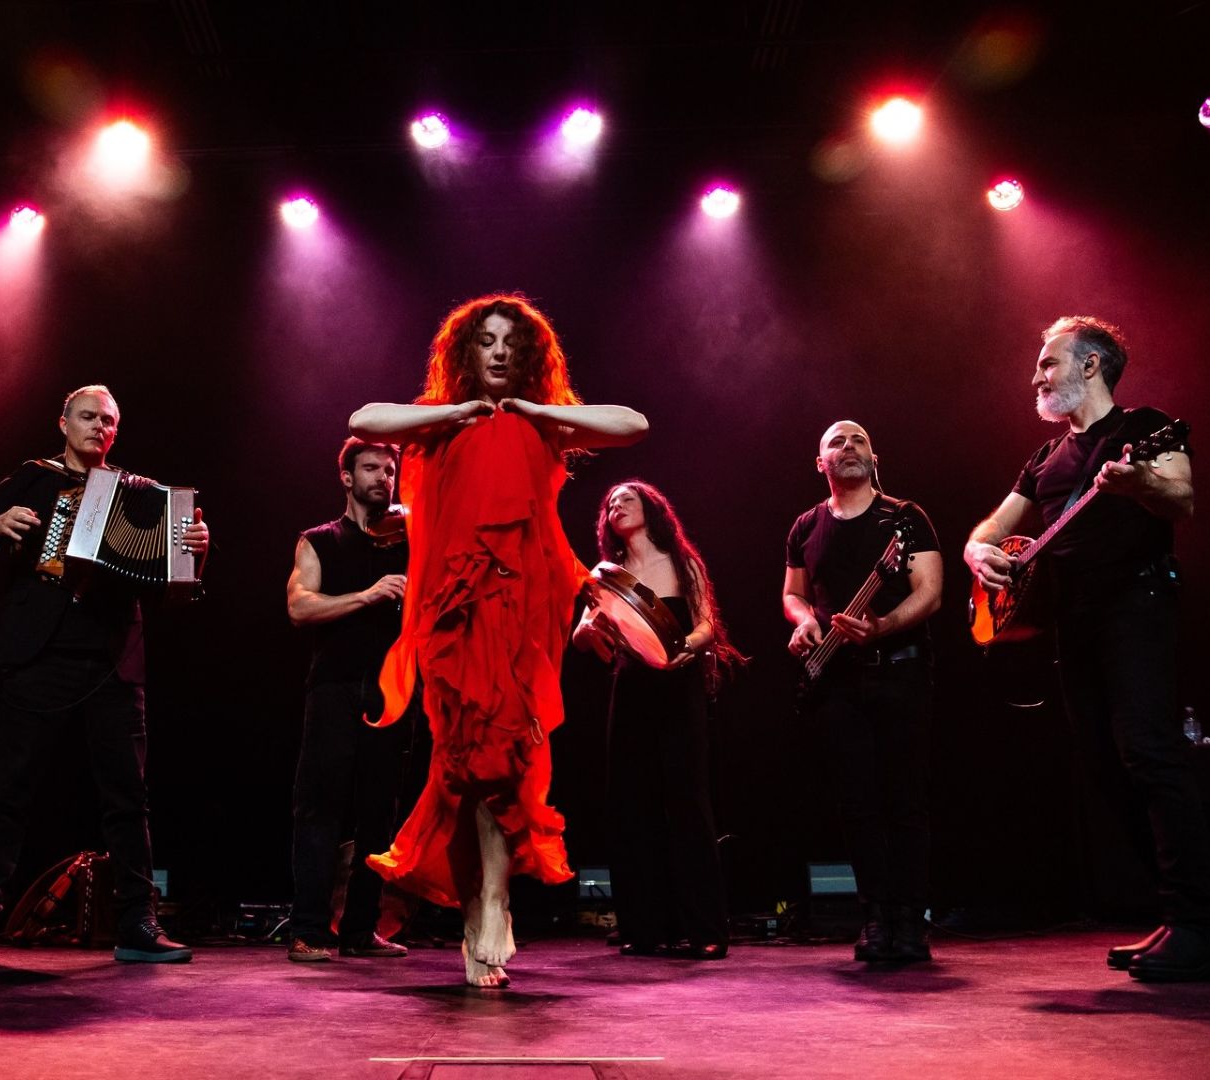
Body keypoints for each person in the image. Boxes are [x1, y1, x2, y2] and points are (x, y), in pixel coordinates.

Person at [349, 294, 647, 987]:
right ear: (466, 352)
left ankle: (492, 899)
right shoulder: (441, 422)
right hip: (454, 611)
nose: (500, 351)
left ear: (529, 355)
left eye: (512, 341)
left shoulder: (541, 424)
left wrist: (541, 411)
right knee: (462, 764)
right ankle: (479, 906)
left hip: (519, 612)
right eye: (485, 341)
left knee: (503, 758)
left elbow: (633, 424)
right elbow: (363, 420)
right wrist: (453, 412)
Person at [962, 316, 1210, 982]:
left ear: (1089, 366)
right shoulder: (1044, 459)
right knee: (1104, 768)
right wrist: (976, 552)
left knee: (1149, 752)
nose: (1036, 376)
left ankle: (1200, 924)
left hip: (1136, 606)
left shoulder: (1147, 429)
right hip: (1074, 622)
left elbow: (1181, 499)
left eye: (1048, 363)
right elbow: (992, 529)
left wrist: (1138, 483)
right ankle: (1176, 914)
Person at [0, 384, 208, 967]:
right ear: (63, 423)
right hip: (39, 654)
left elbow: (176, 591)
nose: (97, 427)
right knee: (10, 790)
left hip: (112, 658)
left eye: (107, 421)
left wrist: (193, 553)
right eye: (87, 417)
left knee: (127, 797)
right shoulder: (32, 478)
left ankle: (138, 923)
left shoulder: (145, 494)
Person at [782, 421, 940, 963]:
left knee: (905, 800)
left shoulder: (905, 518)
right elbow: (793, 594)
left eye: (859, 441)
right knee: (857, 803)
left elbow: (931, 591)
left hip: (899, 672)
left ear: (875, 459)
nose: (848, 447)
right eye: (836, 442)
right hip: (834, 681)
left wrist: (884, 626)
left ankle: (910, 920)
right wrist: (804, 621)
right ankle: (875, 916)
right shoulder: (806, 525)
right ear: (820, 463)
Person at [572, 480, 741, 959]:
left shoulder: (682, 562)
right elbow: (581, 640)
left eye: (627, 498)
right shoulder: (607, 575)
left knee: (688, 803)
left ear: (652, 508)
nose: (616, 505)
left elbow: (707, 623)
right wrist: (592, 627)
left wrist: (688, 645)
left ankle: (704, 928)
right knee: (631, 805)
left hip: (678, 686)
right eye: (610, 503)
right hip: (631, 689)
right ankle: (644, 927)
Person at [282, 437, 415, 963]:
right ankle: (309, 929)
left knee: (379, 813)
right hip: (335, 686)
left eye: (390, 470)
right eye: (371, 468)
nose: (384, 477)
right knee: (319, 808)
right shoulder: (319, 540)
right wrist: (368, 595)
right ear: (346, 477)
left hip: (392, 690)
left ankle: (361, 930)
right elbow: (299, 608)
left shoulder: (410, 541)